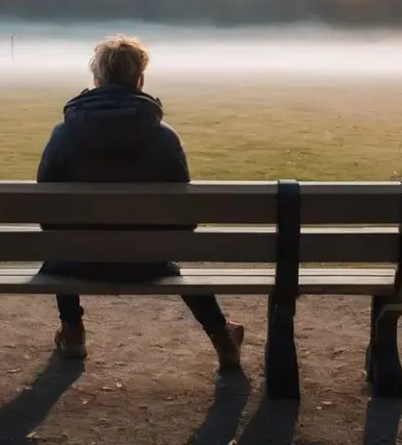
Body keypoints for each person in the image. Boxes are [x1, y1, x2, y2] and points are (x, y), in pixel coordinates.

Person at [35, 35, 245, 371]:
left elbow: (47, 210)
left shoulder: (64, 134)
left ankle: (73, 332)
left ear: (96, 80)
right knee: (82, 239)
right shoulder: (164, 137)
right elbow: (185, 216)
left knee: (66, 237)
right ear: (140, 80)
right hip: (148, 261)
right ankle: (223, 338)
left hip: (75, 260)